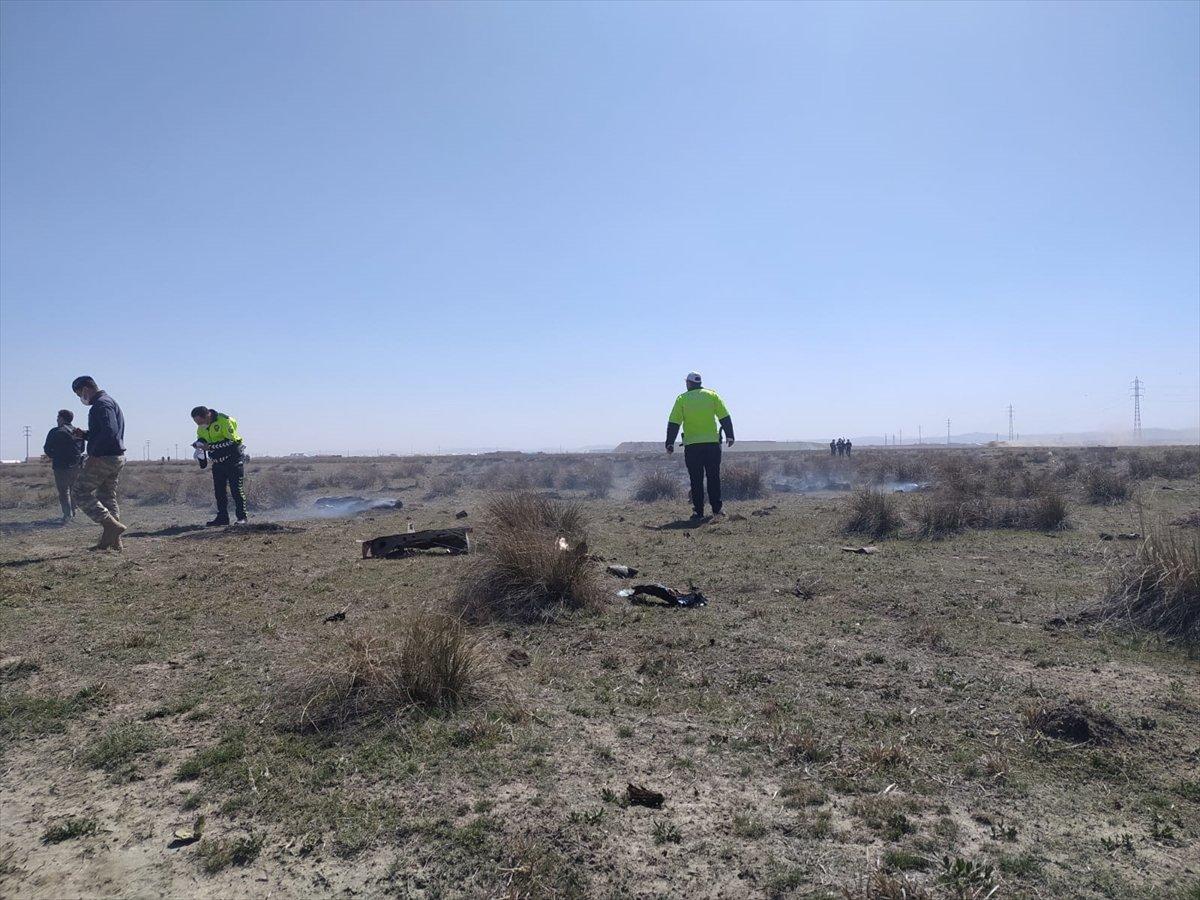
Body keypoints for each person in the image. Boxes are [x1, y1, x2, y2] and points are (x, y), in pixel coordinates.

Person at [665, 372, 735, 519]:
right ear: (699, 383)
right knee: (713, 477)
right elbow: (724, 416)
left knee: (696, 479)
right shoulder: (712, 395)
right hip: (712, 445)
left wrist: (669, 442)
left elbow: (674, 422)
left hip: (693, 446)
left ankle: (698, 511)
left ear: (688, 383)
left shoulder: (682, 399)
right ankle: (717, 510)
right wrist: (730, 434)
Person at [70, 376, 127, 550]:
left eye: (79, 394)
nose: (80, 398)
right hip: (115, 456)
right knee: (107, 496)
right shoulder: (108, 402)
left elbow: (109, 431)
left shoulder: (101, 404)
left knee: (79, 492)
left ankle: (111, 526)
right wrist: (86, 435)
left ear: (86, 389)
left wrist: (95, 453)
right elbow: (106, 432)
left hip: (104, 457)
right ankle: (113, 542)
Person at [191, 406, 248, 526]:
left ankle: (242, 518)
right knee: (219, 492)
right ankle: (222, 518)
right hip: (217, 463)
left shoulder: (224, 421)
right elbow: (202, 439)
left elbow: (232, 441)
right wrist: (198, 445)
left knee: (236, 490)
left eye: (200, 421)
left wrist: (210, 447)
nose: (199, 425)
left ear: (207, 415)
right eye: (196, 423)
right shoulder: (201, 427)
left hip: (233, 460)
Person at [43, 409, 84, 523]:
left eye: (58, 417)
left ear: (61, 418)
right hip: (76, 465)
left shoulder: (55, 431)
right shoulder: (78, 431)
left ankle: (67, 515)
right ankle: (74, 511)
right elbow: (82, 449)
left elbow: (47, 449)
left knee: (63, 491)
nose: (57, 420)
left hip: (60, 465)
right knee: (73, 490)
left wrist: (56, 456)